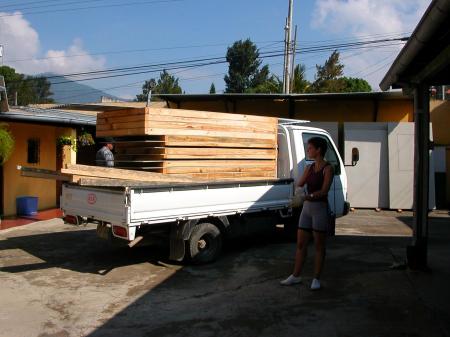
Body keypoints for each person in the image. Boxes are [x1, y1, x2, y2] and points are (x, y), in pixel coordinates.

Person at [280, 137, 333, 290]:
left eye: (310, 148)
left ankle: (316, 279)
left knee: (319, 246)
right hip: (307, 210)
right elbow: (300, 184)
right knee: (301, 244)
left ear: (319, 150)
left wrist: (305, 197)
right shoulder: (309, 168)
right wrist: (298, 191)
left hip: (319, 210)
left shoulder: (327, 168)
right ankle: (295, 276)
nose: (307, 151)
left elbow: (324, 192)